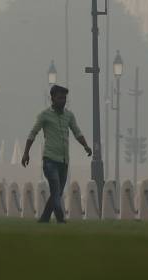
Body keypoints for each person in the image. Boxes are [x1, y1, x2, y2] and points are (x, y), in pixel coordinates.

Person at [21, 84, 92, 223]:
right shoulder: (44, 115)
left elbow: (77, 132)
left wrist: (86, 146)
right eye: (60, 98)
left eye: (64, 98)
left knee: (57, 193)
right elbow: (32, 133)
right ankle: (60, 218)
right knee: (56, 188)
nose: (63, 101)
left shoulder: (69, 116)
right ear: (52, 98)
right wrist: (26, 153)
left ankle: (44, 219)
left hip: (64, 161)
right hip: (50, 160)